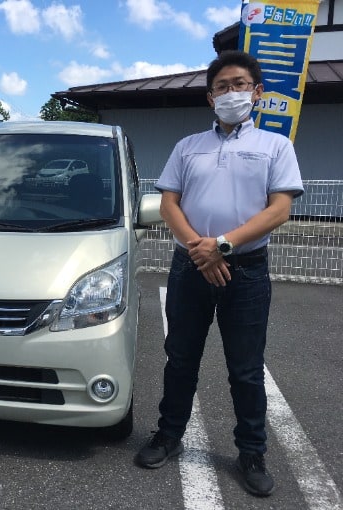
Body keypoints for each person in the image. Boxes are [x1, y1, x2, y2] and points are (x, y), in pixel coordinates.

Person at [134, 50, 303, 497]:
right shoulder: (187, 147)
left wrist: (221, 246)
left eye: (241, 84)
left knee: (246, 369)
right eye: (223, 87)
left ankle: (251, 451)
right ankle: (168, 434)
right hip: (191, 268)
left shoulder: (275, 147)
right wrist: (200, 250)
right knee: (180, 358)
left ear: (258, 92)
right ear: (211, 98)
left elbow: (280, 208)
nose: (232, 93)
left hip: (245, 272)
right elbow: (169, 203)